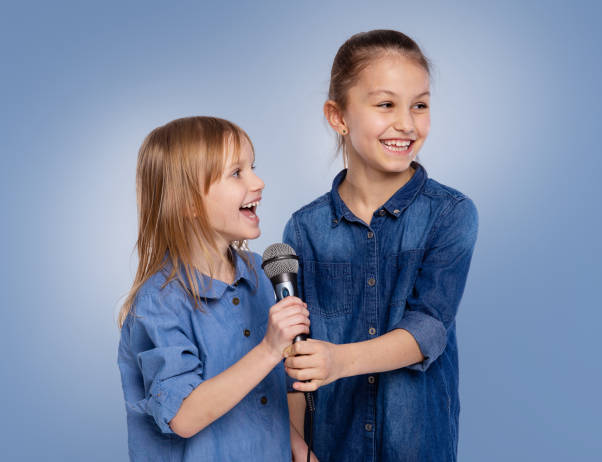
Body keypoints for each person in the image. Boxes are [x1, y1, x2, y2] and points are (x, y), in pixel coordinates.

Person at [282, 30, 478, 461]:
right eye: (386, 104)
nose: (407, 124)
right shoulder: (303, 229)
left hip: (418, 447)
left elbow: (428, 329)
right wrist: (297, 444)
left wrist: (337, 361)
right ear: (338, 116)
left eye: (420, 105)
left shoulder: (451, 214)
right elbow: (295, 355)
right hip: (332, 448)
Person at [117, 116, 312, 461]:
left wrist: (296, 445)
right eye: (237, 173)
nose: (258, 181)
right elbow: (183, 416)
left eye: (252, 167)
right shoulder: (159, 303)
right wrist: (269, 349)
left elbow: (277, 390)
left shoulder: (260, 275)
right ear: (188, 202)